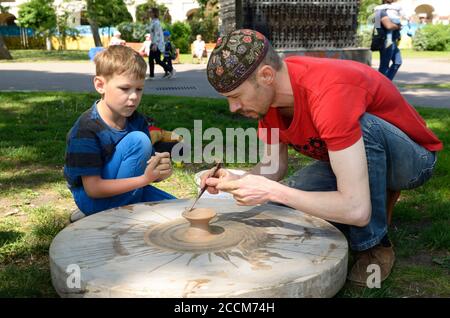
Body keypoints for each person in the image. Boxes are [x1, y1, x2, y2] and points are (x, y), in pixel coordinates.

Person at [202, 29, 443, 286]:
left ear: (266, 75)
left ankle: (374, 245)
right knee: (280, 209)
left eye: (236, 97)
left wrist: (273, 191)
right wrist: (238, 179)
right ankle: (373, 190)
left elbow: (356, 210)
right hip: (354, 158)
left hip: (412, 161)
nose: (233, 108)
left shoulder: (328, 93)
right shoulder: (269, 100)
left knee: (362, 133)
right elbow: (274, 167)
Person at [64, 45, 175, 222]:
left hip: (130, 188)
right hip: (92, 198)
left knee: (178, 210)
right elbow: (93, 188)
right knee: (138, 141)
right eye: (125, 89)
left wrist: (161, 172)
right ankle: (99, 215)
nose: (133, 97)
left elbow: (144, 169)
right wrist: (145, 180)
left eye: (139, 89)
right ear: (100, 85)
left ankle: (117, 211)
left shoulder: (136, 120)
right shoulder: (86, 129)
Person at [374, 0, 403, 80]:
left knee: (398, 62)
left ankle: (387, 84)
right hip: (386, 42)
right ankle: (381, 86)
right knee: (384, 66)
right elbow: (389, 26)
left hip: (392, 41)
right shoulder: (380, 11)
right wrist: (399, 26)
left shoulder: (390, 11)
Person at [148, 8, 171, 80]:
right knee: (152, 59)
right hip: (154, 43)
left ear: (154, 13)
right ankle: (152, 76)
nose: (149, 13)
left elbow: (157, 34)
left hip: (157, 43)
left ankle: (171, 70)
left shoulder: (156, 23)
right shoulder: (152, 22)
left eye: (150, 12)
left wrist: (155, 44)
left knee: (156, 60)